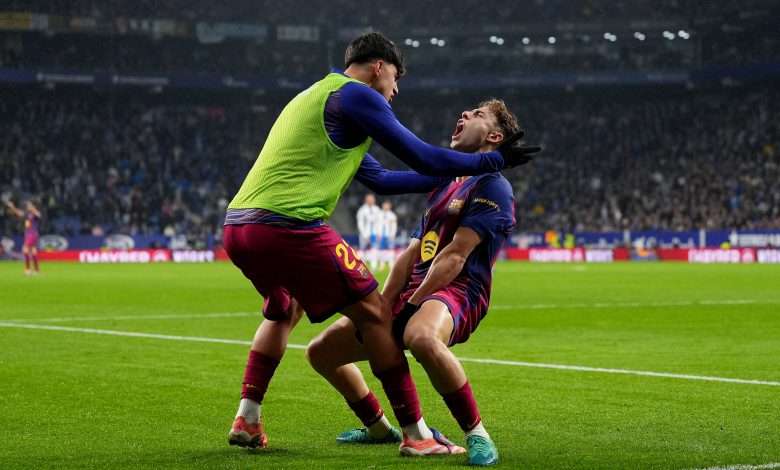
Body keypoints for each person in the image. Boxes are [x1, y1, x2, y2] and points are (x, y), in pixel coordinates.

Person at [222, 31, 540, 455]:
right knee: (374, 313)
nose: (395, 90)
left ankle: (250, 416)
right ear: (378, 67)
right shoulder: (358, 96)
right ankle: (417, 435)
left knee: (285, 308)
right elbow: (422, 157)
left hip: (240, 227)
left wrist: (460, 176)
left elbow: (383, 180)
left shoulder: (313, 98)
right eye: (395, 78)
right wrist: (493, 160)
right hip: (289, 224)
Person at [306, 99, 533, 466]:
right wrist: (383, 304)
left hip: (458, 288)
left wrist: (410, 306)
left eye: (477, 114)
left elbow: (455, 256)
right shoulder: (445, 184)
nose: (464, 113)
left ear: (494, 136)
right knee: (321, 353)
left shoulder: (494, 187)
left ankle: (477, 434)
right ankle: (379, 428)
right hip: (416, 288)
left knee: (421, 336)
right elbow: (412, 253)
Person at [5, 199, 41, 275]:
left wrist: (32, 207)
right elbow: (18, 212)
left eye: (29, 205)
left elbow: (39, 215)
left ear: (33, 206)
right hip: (29, 233)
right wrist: (12, 207)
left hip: (32, 233)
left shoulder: (34, 213)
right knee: (33, 251)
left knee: (25, 249)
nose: (27, 206)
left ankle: (28, 270)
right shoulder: (27, 214)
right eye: (28, 205)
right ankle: (36, 270)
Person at [356, 193, 382, 267]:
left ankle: (374, 267)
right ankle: (362, 266)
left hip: (374, 233)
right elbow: (360, 223)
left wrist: (379, 233)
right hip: (365, 233)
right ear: (366, 200)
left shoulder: (377, 209)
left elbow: (379, 222)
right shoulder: (362, 210)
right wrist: (364, 234)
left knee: (374, 250)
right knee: (363, 250)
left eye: (372, 199)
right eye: (369, 199)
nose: (371, 200)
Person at [378, 201, 398, 270]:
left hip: (389, 235)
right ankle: (382, 264)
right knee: (381, 250)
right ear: (382, 206)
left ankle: (391, 263)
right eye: (385, 205)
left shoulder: (392, 215)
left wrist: (393, 234)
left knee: (390, 250)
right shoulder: (379, 214)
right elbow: (377, 225)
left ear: (389, 207)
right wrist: (378, 234)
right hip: (381, 235)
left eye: (387, 206)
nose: (386, 207)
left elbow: (394, 226)